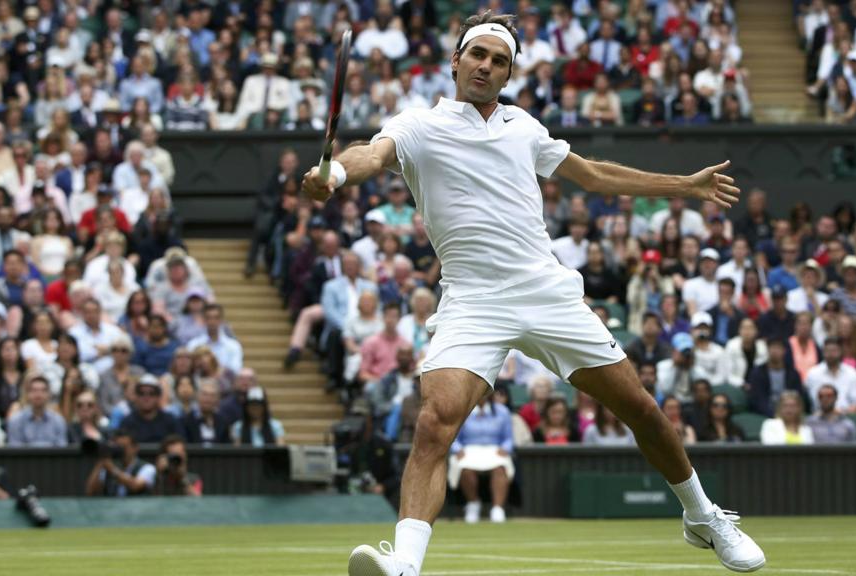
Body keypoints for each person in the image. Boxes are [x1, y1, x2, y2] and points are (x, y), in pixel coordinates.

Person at [304, 12, 762, 575]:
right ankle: (405, 564)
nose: (486, 66)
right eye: (478, 55)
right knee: (434, 421)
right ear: (456, 61)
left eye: (500, 61)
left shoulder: (524, 127)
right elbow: (367, 154)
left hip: (545, 291)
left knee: (640, 408)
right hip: (473, 299)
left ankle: (703, 516)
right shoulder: (418, 125)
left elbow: (593, 176)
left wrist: (684, 186)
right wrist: (337, 176)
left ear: (507, 73)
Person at [449, 391, 516, 524]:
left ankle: (498, 509)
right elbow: (454, 437)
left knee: (500, 468)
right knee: (464, 468)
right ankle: (473, 504)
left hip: (494, 449)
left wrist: (505, 448)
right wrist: (457, 449)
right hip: (468, 449)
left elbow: (508, 438)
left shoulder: (502, 411)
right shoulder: (462, 411)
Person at [85, 429, 156, 497]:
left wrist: (112, 470)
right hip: (111, 508)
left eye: (124, 447)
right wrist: (100, 463)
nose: (122, 451)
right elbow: (90, 491)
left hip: (137, 508)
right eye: (118, 447)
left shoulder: (147, 468)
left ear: (135, 448)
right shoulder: (109, 466)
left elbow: (135, 486)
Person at [747, 338, 806, 418]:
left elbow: (798, 396)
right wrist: (773, 415)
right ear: (767, 350)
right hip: (765, 414)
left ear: (784, 351)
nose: (775, 351)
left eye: (778, 348)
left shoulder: (793, 373)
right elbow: (758, 399)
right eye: (772, 347)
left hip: (789, 412)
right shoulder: (758, 373)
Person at [118, 374, 183, 444]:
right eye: (141, 393)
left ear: (158, 397)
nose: (146, 397)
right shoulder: (127, 423)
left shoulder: (171, 421)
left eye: (151, 393)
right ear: (136, 396)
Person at [805, 337, 856, 413]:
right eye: (827, 351)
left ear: (840, 351)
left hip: (847, 417)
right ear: (823, 352)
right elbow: (814, 401)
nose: (831, 354)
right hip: (820, 418)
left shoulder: (852, 374)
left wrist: (841, 412)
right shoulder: (813, 374)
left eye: (834, 351)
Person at [7, 376, 67, 447]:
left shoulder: (58, 421)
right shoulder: (16, 421)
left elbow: (62, 450)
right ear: (27, 394)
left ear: (49, 394)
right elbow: (14, 451)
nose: (38, 394)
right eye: (34, 390)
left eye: (43, 390)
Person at [186, 303, 243, 374]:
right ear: (204, 320)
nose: (212, 321)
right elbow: (189, 369)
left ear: (222, 320)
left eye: (216, 318)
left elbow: (235, 371)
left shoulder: (233, 346)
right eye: (209, 318)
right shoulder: (193, 344)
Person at [183, 381, 230, 445]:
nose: (208, 399)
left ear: (217, 400)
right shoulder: (186, 421)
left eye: (212, 395)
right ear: (197, 397)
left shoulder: (223, 421)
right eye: (205, 394)